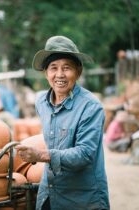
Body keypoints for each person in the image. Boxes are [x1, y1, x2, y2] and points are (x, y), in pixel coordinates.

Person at [16, 36, 110, 210]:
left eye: (66, 68)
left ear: (78, 72)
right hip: (50, 193)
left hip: (82, 199)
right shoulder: (41, 103)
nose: (59, 75)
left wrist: (41, 155)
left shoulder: (90, 107)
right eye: (54, 68)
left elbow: (84, 154)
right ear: (46, 72)